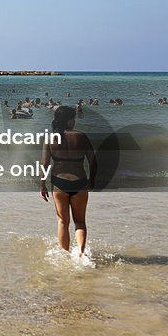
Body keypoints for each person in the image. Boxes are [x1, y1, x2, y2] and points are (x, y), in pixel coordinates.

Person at [40, 105, 97, 257]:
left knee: (63, 221)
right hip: (80, 182)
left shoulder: (50, 139)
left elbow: (44, 164)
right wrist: (92, 180)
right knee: (80, 222)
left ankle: (65, 255)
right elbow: (93, 161)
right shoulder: (82, 136)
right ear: (70, 120)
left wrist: (42, 184)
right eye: (74, 118)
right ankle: (80, 252)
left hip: (59, 183)